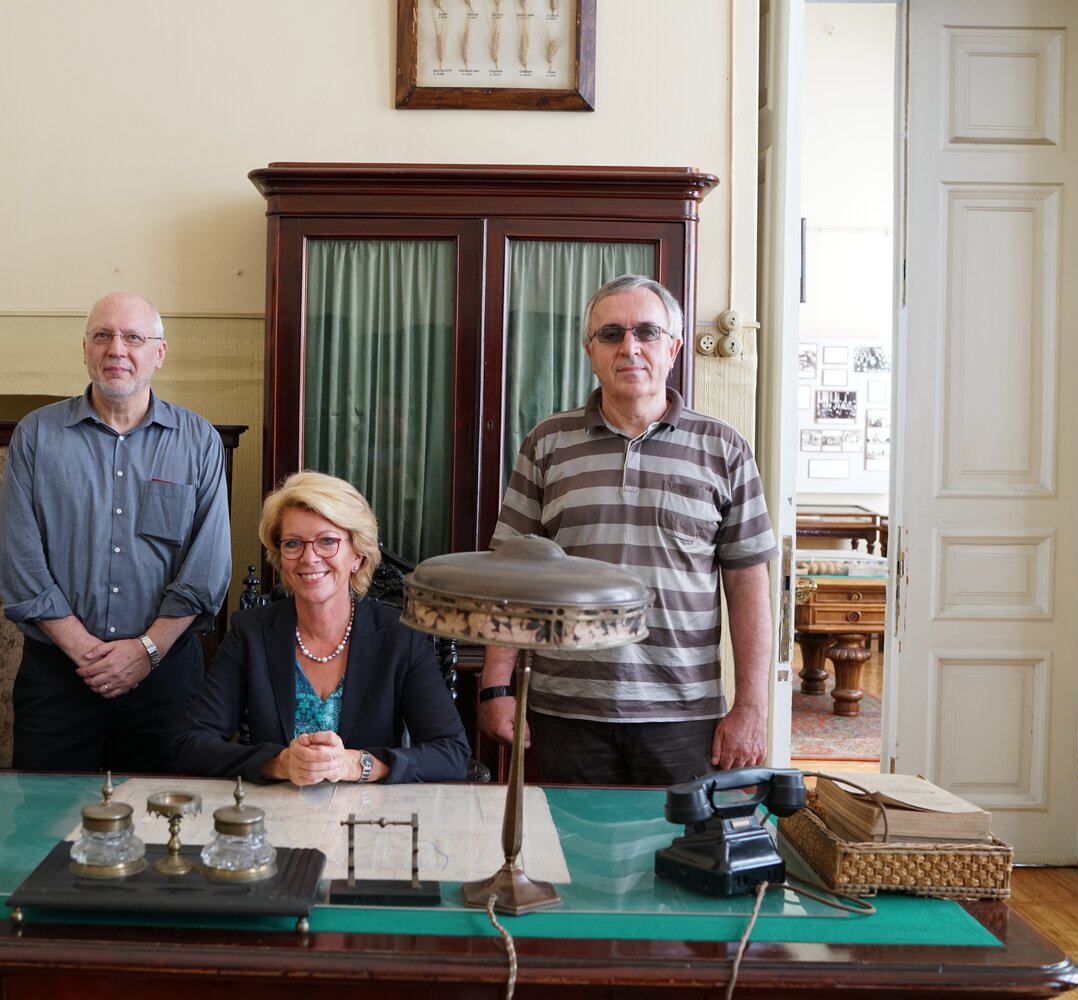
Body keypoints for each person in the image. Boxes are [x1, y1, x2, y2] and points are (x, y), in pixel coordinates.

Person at [477, 274, 776, 786]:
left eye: (647, 333)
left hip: (684, 715)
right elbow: (512, 574)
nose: (629, 348)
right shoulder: (548, 444)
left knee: (679, 860)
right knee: (569, 860)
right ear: (590, 351)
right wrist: (496, 686)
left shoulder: (724, 449)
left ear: (675, 347)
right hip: (562, 712)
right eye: (611, 334)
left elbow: (749, 584)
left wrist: (752, 706)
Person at [0, 291, 231, 773]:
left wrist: (145, 651)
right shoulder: (37, 435)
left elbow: (208, 567)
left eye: (133, 337)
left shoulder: (199, 440)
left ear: (158, 353)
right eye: (102, 335)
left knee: (168, 830)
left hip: (165, 678)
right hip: (58, 676)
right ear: (84, 349)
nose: (116, 349)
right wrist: (86, 653)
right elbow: (19, 560)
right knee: (44, 829)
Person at [174, 471, 470, 785]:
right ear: (281, 558)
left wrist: (357, 765)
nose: (309, 557)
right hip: (275, 819)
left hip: (371, 821)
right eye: (293, 544)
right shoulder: (251, 632)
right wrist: (280, 763)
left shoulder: (401, 636)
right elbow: (191, 745)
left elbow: (451, 753)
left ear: (357, 555)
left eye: (327, 541)